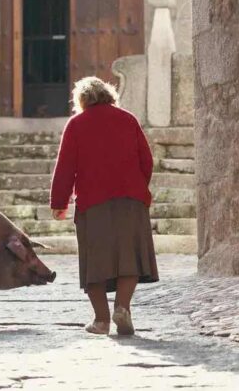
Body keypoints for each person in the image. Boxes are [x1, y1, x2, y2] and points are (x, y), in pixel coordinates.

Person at [49, 76, 158, 336]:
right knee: (129, 257)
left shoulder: (76, 124)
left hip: (93, 202)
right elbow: (147, 161)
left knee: (95, 261)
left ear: (82, 100)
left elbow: (66, 167)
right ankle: (122, 307)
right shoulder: (128, 120)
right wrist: (138, 188)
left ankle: (101, 320)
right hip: (131, 201)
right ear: (109, 96)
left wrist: (59, 202)